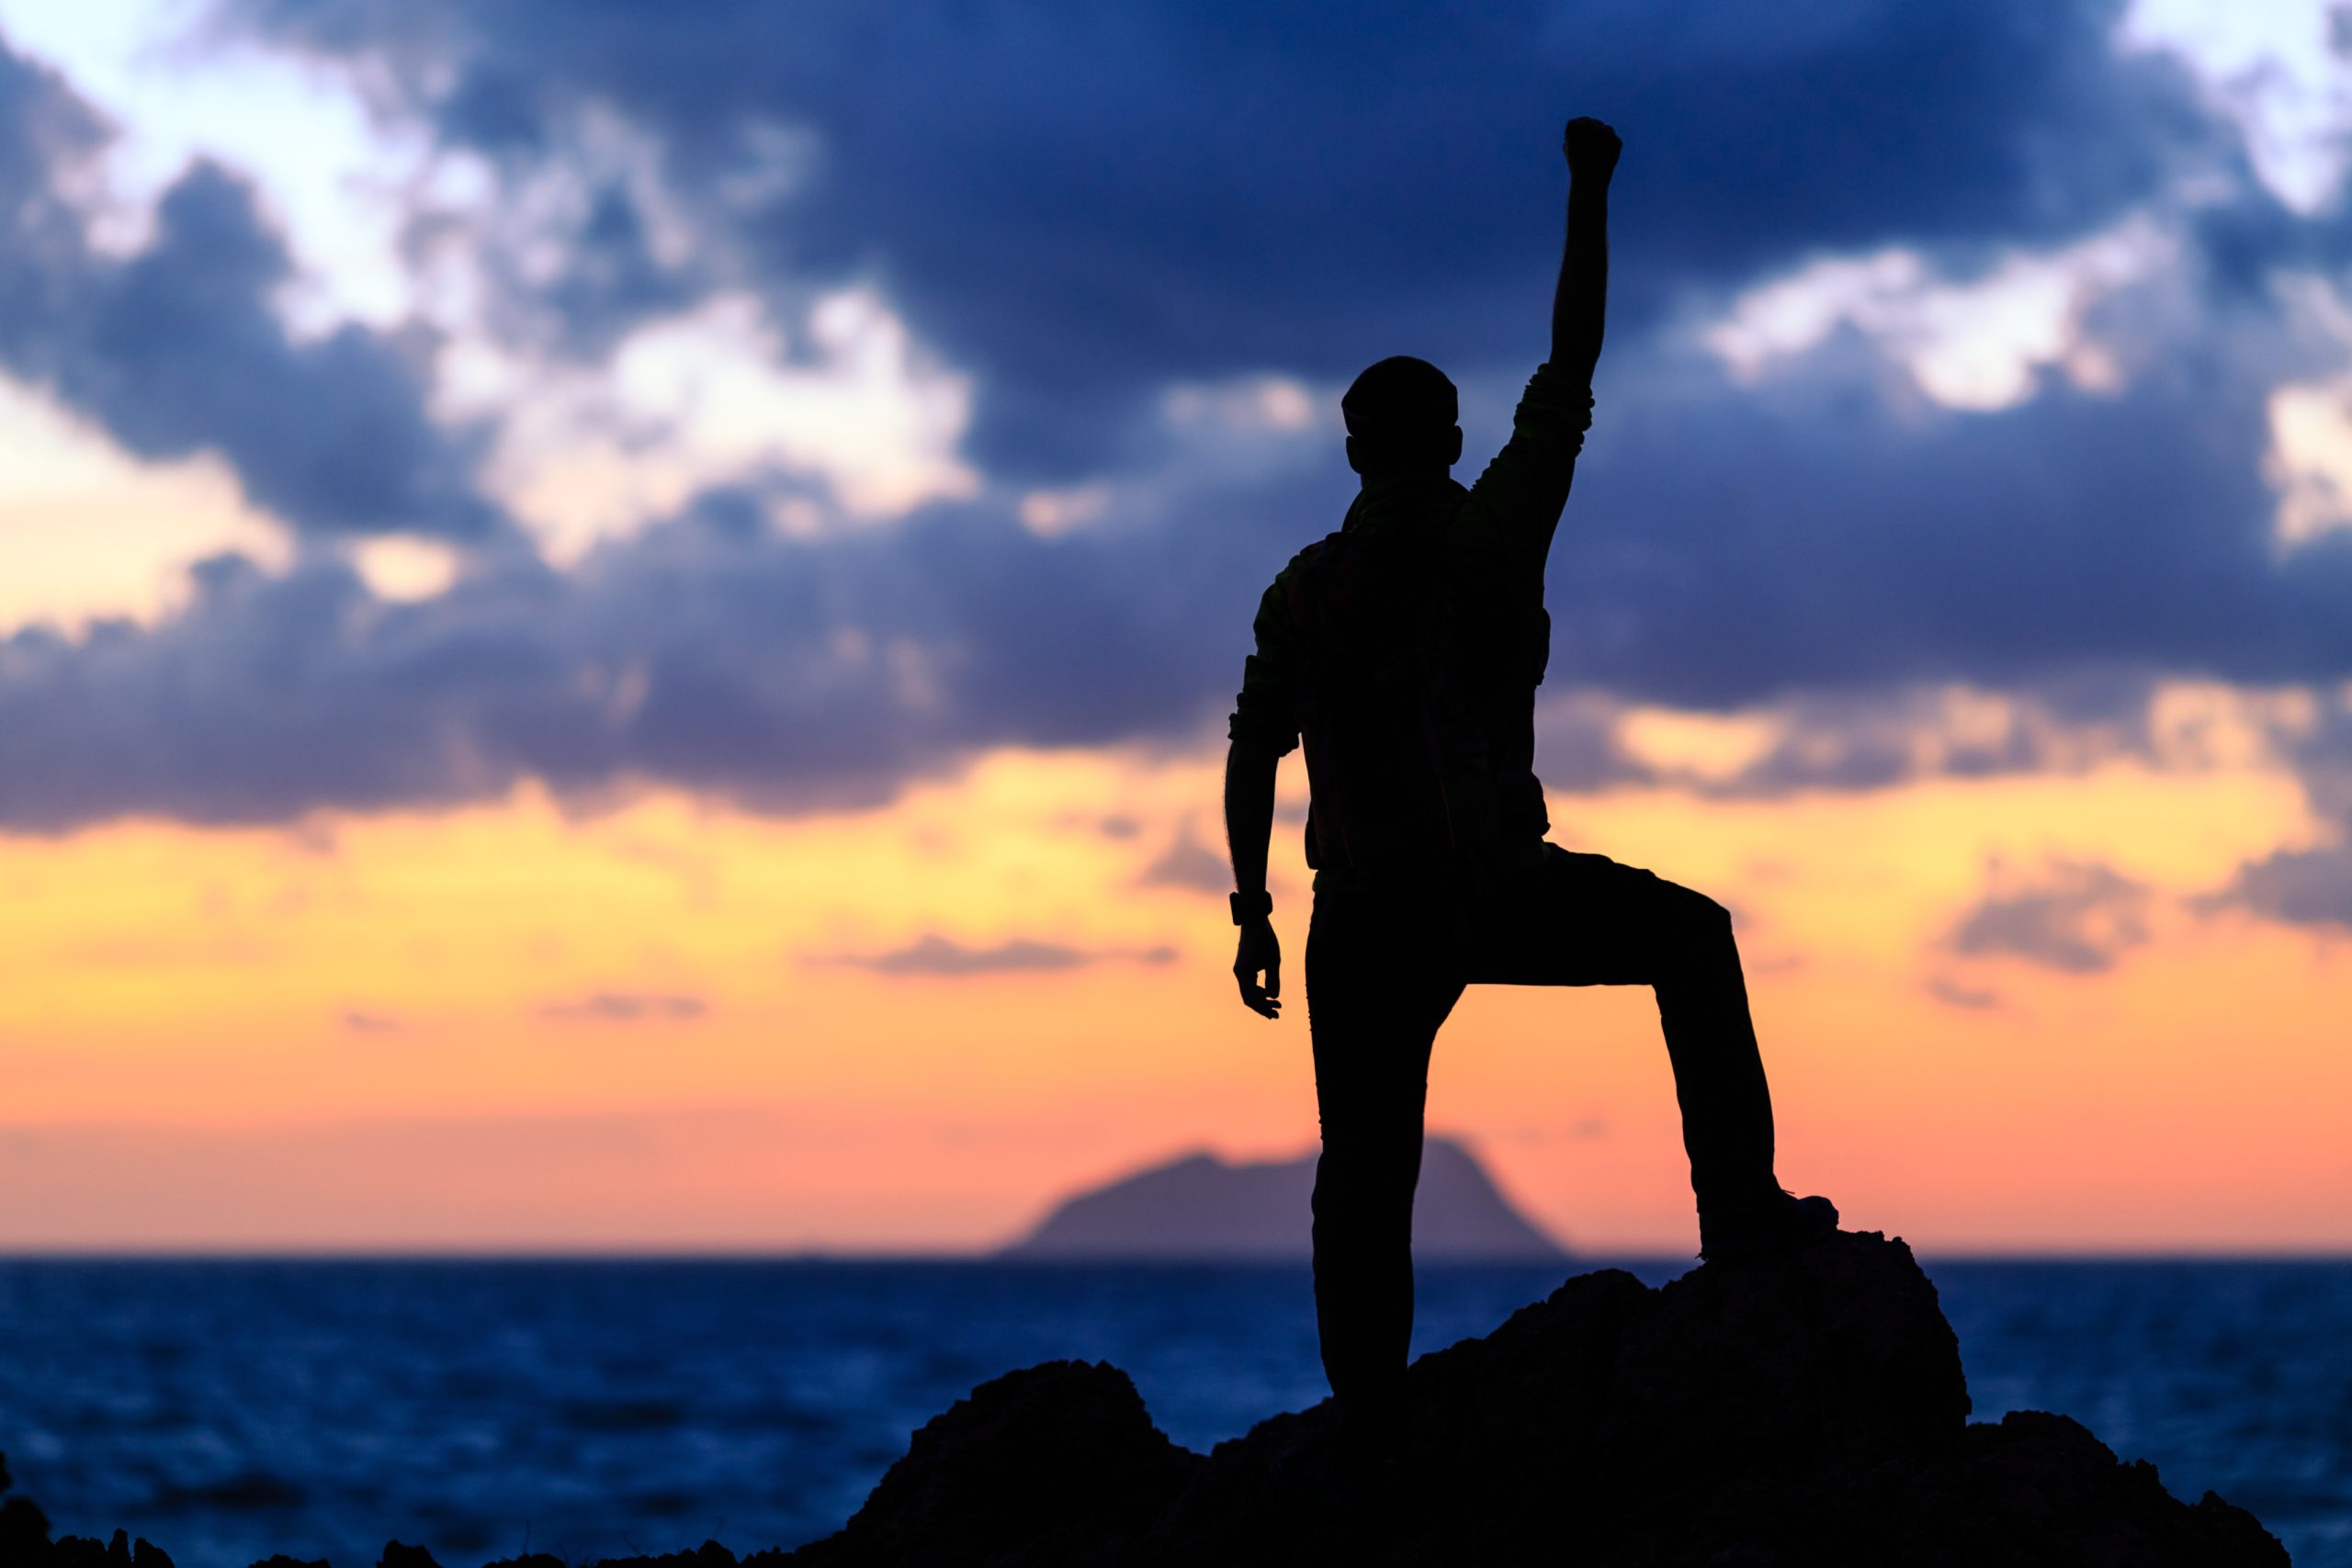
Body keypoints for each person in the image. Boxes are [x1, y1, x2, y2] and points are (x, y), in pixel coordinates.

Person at [1221, 117, 1836, 1440]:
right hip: (1490, 885)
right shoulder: (1493, 531)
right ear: (1447, 435)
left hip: (1362, 916)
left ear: (1350, 452)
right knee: (1694, 942)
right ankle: (1740, 1218)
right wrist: (1590, 188)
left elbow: (1248, 749)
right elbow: (1572, 361)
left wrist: (1250, 909)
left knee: (1363, 1172)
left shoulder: (1303, 591)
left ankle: (1365, 1416)